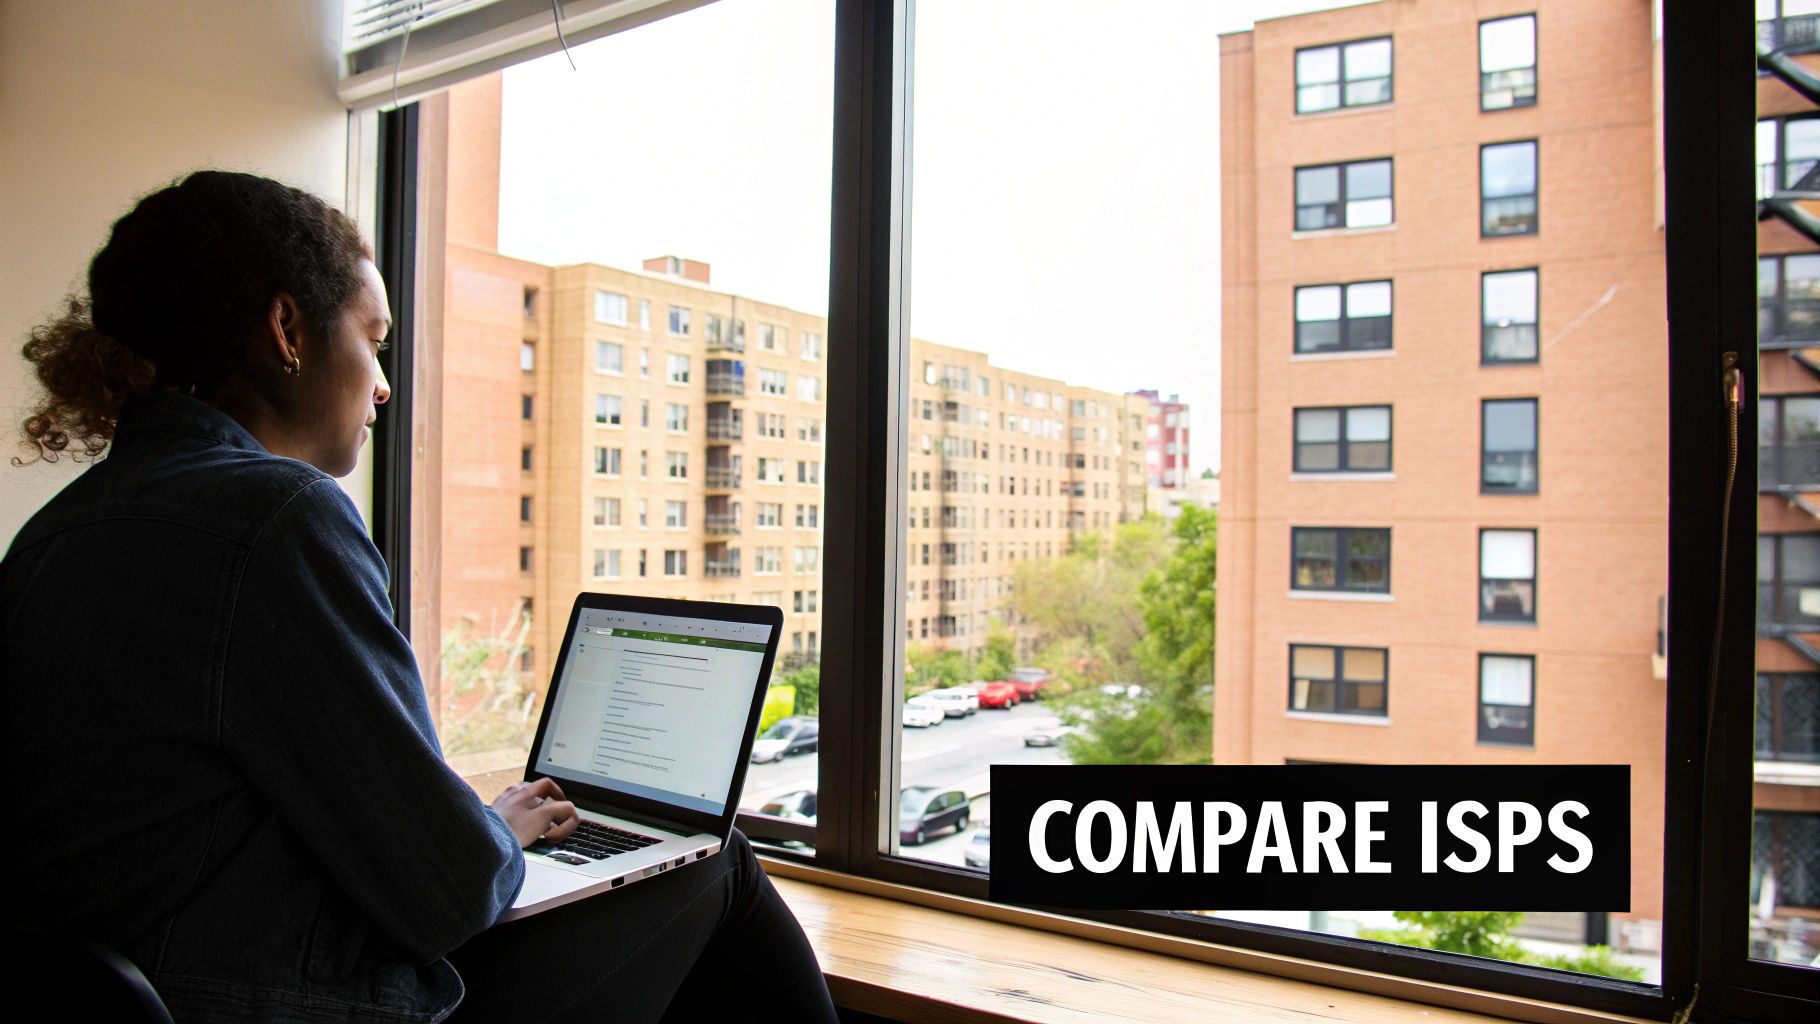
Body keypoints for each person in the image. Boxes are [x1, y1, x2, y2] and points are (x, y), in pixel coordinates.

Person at [1, 170, 838, 1023]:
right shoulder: (277, 517)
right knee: (717, 862)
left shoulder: (58, 531)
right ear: (288, 329)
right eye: (375, 341)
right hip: (276, 1001)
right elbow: (449, 891)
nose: (383, 387)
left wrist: (483, 825)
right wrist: (486, 838)